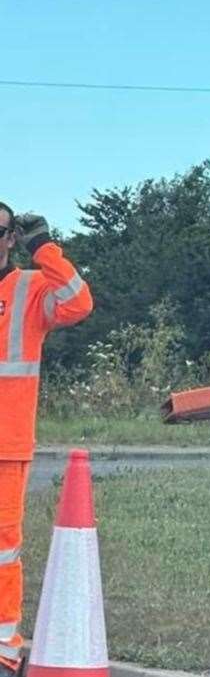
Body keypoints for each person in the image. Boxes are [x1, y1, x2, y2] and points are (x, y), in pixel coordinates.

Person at [0, 206, 93, 675]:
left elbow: (79, 302)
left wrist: (46, 250)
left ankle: (2, 646)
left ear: (12, 238)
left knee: (2, 549)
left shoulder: (30, 289)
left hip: (5, 443)